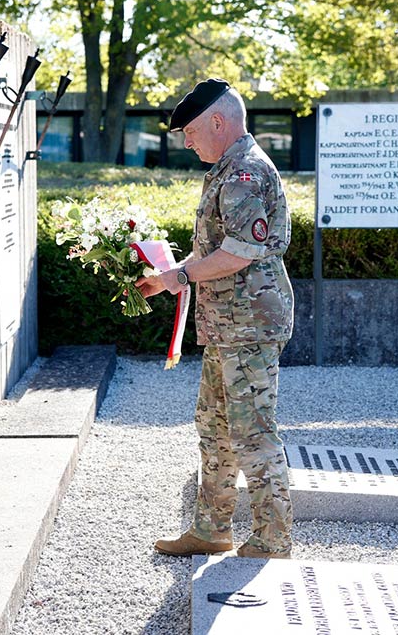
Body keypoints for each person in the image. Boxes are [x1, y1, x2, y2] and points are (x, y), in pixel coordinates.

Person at [135, 78, 295, 559]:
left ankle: (272, 539)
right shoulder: (228, 169)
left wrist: (179, 277)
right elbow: (214, 249)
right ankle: (211, 529)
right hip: (228, 326)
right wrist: (167, 274)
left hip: (248, 326)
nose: (187, 142)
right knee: (214, 427)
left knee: (252, 432)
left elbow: (239, 253)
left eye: (190, 132)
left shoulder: (244, 172)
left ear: (218, 122)